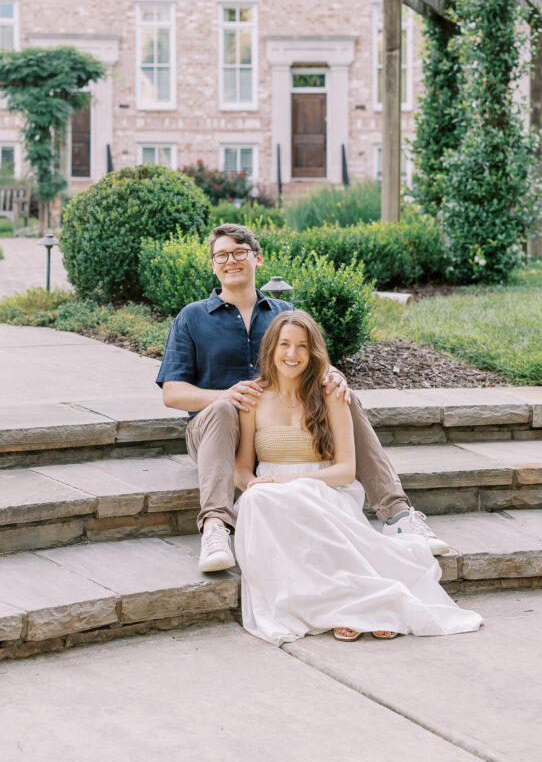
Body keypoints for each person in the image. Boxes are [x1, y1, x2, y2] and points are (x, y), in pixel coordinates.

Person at [157, 223, 448, 574]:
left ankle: (397, 515)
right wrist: (227, 395)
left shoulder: (282, 311)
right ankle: (216, 527)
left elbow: (311, 357)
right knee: (222, 409)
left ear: (257, 258)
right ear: (213, 265)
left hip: (276, 432)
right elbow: (172, 393)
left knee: (344, 396)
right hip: (215, 435)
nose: (230, 260)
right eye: (222, 255)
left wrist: (334, 374)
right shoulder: (191, 317)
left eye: (239, 252)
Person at [234, 310, 483, 645]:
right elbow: (241, 470)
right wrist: (257, 486)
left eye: (302, 346)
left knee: (281, 499)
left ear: (314, 352)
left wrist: (289, 483)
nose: (292, 354)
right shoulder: (253, 399)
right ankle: (336, 604)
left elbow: (346, 470)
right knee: (255, 500)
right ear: (271, 349)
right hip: (270, 498)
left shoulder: (330, 393)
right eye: (284, 344)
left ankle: (359, 602)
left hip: (324, 490)